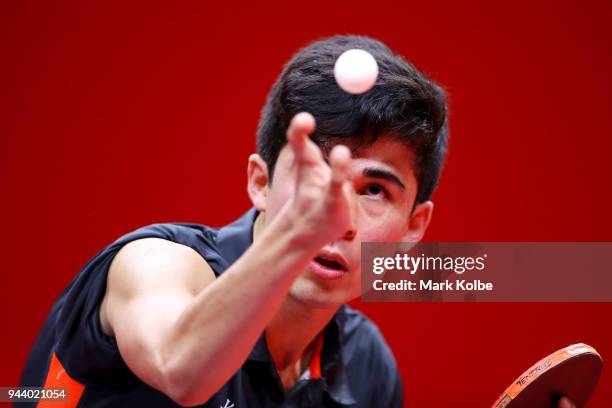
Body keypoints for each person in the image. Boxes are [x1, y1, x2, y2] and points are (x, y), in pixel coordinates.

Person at [19, 34, 576, 408]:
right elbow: (182, 370)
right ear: (260, 182)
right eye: (318, 179)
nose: (340, 217)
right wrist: (295, 236)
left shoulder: (364, 370)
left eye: (374, 190)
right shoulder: (154, 265)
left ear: (413, 228)